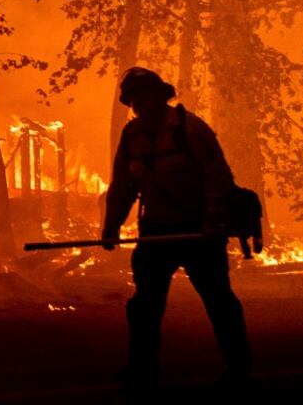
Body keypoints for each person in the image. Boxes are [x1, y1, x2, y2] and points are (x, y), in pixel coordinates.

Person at [102, 67, 252, 389]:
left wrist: (213, 222)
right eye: (134, 100)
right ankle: (141, 368)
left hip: (199, 232)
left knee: (218, 300)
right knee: (144, 305)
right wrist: (111, 226)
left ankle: (239, 367)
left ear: (160, 96)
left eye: (146, 96)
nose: (141, 104)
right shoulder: (131, 137)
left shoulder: (190, 129)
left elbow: (218, 178)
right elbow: (123, 186)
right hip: (156, 232)